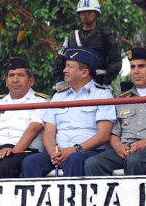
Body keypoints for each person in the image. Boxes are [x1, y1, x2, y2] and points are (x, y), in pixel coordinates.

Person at [22, 47, 116, 177]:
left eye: (70, 67)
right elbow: (49, 132)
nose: (64, 70)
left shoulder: (102, 95)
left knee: (74, 159)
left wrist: (74, 150)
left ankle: (71, 198)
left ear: (84, 72)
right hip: (59, 153)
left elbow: (104, 135)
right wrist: (52, 153)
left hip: (88, 152)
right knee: (30, 162)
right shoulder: (58, 96)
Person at [84, 48, 146, 176]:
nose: (136, 71)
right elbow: (115, 133)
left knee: (134, 161)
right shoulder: (122, 98)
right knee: (93, 163)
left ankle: (135, 197)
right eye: (133, 67)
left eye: (141, 66)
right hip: (125, 149)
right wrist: (118, 146)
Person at [53, 0, 122, 87]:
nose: (85, 14)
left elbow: (116, 61)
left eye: (89, 11)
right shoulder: (72, 36)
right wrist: (58, 82)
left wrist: (104, 80)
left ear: (96, 13)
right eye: (82, 12)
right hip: (75, 86)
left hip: (99, 86)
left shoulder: (105, 35)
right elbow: (60, 60)